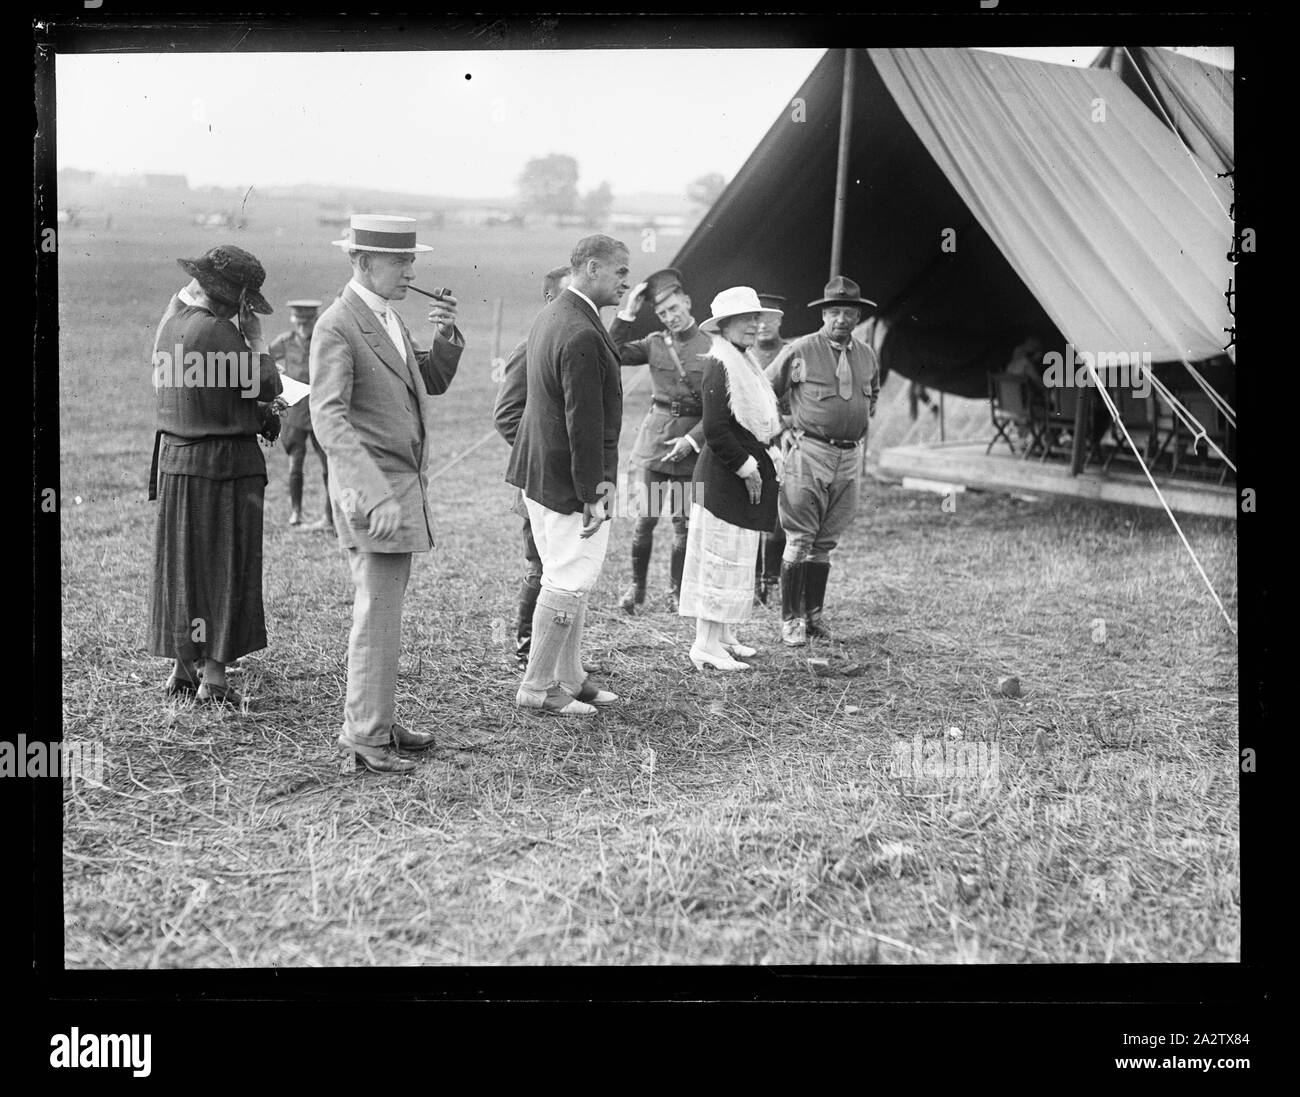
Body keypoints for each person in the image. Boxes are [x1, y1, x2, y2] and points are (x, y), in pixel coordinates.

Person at [310, 214, 465, 774]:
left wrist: (445, 336)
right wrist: (371, 493)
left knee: (385, 612)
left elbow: (428, 381)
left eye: (411, 260)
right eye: (400, 261)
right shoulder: (337, 325)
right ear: (362, 262)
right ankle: (366, 735)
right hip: (374, 492)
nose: (410, 270)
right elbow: (327, 419)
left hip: (398, 487)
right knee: (376, 613)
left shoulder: (386, 315)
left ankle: (375, 715)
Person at [146, 245, 282, 705]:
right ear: (236, 302)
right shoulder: (222, 332)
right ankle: (216, 678)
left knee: (185, 566)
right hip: (225, 467)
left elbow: (210, 386)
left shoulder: (171, 327)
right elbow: (266, 385)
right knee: (227, 567)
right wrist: (256, 337)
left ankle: (183, 669)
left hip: (179, 464)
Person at [505, 234, 629, 715]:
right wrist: (592, 493)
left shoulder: (553, 315)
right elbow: (584, 422)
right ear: (592, 269)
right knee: (568, 579)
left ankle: (569, 676)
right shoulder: (578, 329)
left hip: (540, 474)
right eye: (620, 271)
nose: (626, 280)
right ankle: (537, 687)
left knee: (566, 575)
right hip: (565, 482)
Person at [766, 276, 880, 647]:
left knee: (825, 542)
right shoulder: (801, 350)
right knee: (799, 538)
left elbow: (872, 395)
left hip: (848, 456)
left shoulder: (866, 355)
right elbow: (766, 390)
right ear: (823, 314)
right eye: (834, 312)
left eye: (849, 312)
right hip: (809, 452)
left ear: (858, 316)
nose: (841, 319)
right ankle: (791, 620)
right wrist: (781, 429)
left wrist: (853, 419)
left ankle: (813, 616)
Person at [678, 287, 784, 671]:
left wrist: (767, 453)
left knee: (736, 555)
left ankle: (723, 636)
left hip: (740, 475)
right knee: (717, 559)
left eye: (757, 319)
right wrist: (746, 465)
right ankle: (705, 644)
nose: (755, 326)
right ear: (725, 326)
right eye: (746, 320)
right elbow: (717, 428)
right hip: (724, 478)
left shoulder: (743, 362)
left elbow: (750, 423)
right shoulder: (719, 363)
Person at [608, 268, 712, 614]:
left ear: (687, 301)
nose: (670, 317)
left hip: (691, 449)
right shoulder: (654, 343)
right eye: (663, 313)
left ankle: (677, 592)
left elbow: (719, 408)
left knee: (683, 525)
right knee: (646, 520)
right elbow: (612, 352)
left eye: (674, 308)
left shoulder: (713, 347)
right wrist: (628, 313)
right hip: (656, 446)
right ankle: (636, 591)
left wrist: (694, 441)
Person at [493, 264, 571, 666]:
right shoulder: (530, 348)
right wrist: (544, 455)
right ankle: (527, 648)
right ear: (549, 299)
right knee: (540, 563)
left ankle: (560, 655)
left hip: (567, 480)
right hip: (540, 478)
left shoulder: (571, 343)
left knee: (566, 567)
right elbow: (506, 416)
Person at [269, 300, 331, 530]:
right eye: (300, 322)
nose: (304, 327)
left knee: (328, 466)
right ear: (294, 322)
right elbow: (265, 358)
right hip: (294, 412)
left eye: (309, 322)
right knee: (295, 465)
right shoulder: (286, 342)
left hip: (319, 411)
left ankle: (330, 516)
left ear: (315, 320)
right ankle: (296, 511)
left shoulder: (323, 340)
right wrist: (277, 373)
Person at [746, 291, 789, 604]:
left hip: (783, 441)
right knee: (751, 510)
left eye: (770, 319)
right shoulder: (743, 355)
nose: (763, 326)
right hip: (749, 443)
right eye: (757, 319)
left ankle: (771, 581)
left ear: (780, 321)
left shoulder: (791, 352)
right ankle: (752, 580)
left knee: (778, 514)